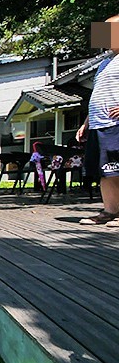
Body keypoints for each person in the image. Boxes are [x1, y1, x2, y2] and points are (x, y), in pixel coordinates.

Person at [77, 14, 119, 225]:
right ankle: (110, 211)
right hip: (99, 123)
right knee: (105, 171)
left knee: (117, 169)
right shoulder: (105, 62)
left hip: (116, 125)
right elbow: (98, 94)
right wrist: (86, 122)